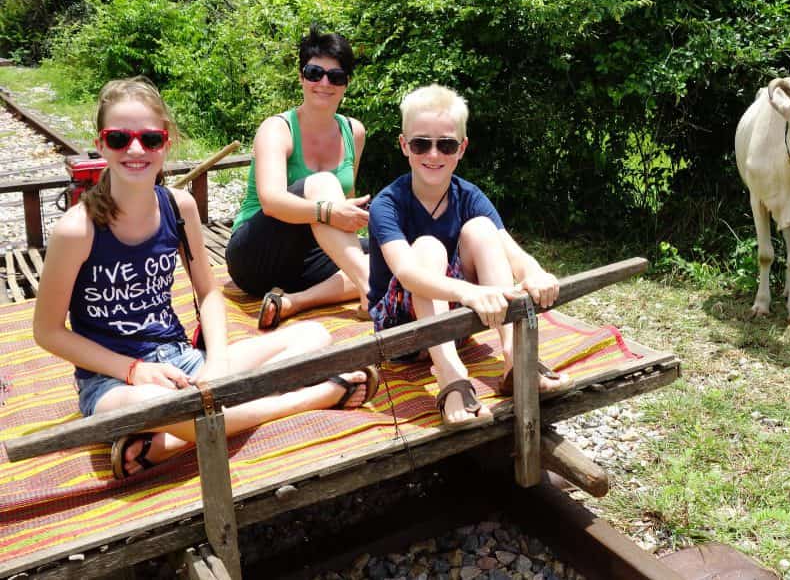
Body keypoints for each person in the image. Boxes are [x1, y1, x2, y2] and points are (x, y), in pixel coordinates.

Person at [33, 77, 379, 479]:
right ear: (101, 142)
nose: (135, 150)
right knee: (155, 406)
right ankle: (317, 396)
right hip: (115, 382)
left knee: (314, 337)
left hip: (183, 362)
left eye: (150, 138)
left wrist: (214, 363)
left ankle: (168, 443)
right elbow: (48, 331)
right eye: (118, 138)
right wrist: (132, 370)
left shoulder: (179, 208)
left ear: (167, 142)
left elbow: (208, 293)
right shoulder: (78, 230)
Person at [367, 84, 573, 429]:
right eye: (421, 144)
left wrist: (535, 273)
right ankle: (450, 377)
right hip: (401, 331)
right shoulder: (388, 203)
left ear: (461, 148)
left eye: (445, 144)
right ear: (405, 145)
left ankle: (514, 359)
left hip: (456, 323)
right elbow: (406, 273)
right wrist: (469, 292)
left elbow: (511, 250)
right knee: (428, 247)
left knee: (481, 229)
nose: (433, 154)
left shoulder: (469, 196)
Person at [226, 25, 371, 330]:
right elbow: (272, 202)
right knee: (321, 182)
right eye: (315, 72)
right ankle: (372, 289)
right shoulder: (278, 129)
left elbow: (340, 211)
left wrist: (342, 215)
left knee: (391, 254)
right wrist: (330, 210)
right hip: (256, 255)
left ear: (346, 84)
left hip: (305, 259)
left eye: (336, 76)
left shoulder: (354, 132)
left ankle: (295, 302)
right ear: (301, 76)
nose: (324, 83)